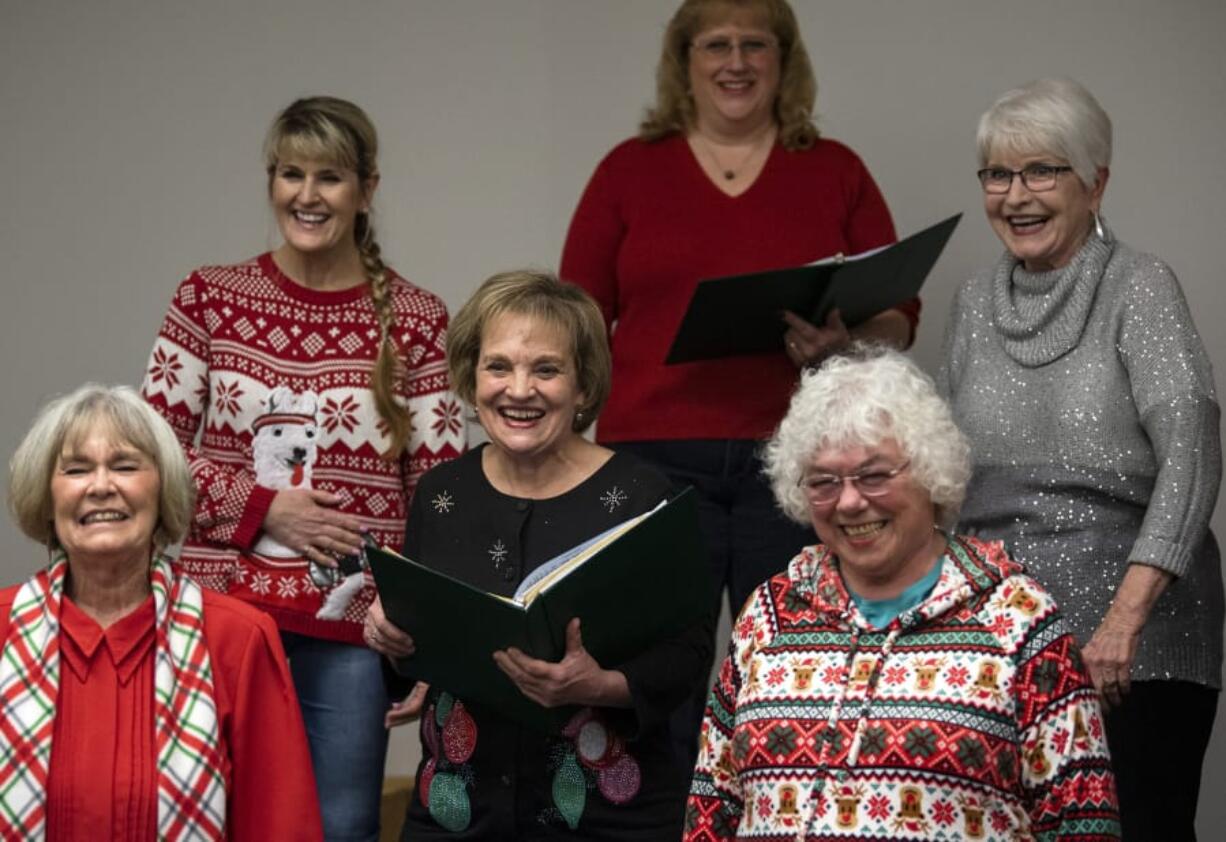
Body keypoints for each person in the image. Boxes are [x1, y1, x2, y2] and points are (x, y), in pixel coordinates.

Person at [559, 0, 918, 765]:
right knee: (656, 668)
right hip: (651, 461)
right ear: (683, 59)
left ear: (784, 60)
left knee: (793, 663)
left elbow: (900, 312)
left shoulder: (834, 168)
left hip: (798, 460)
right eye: (715, 44)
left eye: (756, 44)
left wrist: (844, 341)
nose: (736, 62)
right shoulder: (629, 169)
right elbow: (577, 314)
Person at [140, 96, 464, 841]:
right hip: (214, 617)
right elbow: (147, 456)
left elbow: (440, 493)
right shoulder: (208, 298)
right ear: (271, 180)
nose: (307, 196)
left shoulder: (416, 318)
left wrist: (423, 633)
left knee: (341, 827)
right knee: (202, 822)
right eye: (291, 174)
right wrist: (265, 508)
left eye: (330, 177)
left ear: (367, 189)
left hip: (349, 629)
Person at [940, 78, 1222, 841]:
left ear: (1096, 181)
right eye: (998, 174)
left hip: (1131, 645)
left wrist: (1124, 618)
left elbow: (1193, 449)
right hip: (998, 642)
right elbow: (945, 479)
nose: (1016, 195)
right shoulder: (971, 302)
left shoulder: (1142, 286)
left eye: (1043, 171)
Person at [685, 349, 1119, 840]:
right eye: (824, 481)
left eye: (874, 476)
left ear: (930, 473)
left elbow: (1083, 821)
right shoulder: (768, 616)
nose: (849, 501)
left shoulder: (1018, 619)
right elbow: (712, 805)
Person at [364, 270, 712, 839]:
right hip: (458, 815)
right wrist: (390, 638)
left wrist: (598, 687)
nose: (518, 389)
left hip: (606, 820)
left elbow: (690, 652)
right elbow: (416, 654)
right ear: (470, 375)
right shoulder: (440, 494)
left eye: (545, 369)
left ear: (583, 384)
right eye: (498, 366)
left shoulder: (645, 495)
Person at [0, 384, 322, 841]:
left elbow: (281, 828)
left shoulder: (238, 639)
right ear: (48, 500)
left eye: (125, 466)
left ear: (163, 492)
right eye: (76, 469)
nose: (101, 486)